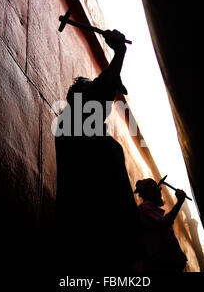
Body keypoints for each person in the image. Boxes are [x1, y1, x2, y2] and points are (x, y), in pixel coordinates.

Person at [55, 30, 139, 272]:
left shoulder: (89, 129)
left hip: (109, 239)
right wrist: (119, 53)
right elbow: (99, 92)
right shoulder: (70, 121)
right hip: (92, 237)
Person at [134, 178, 188, 272]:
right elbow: (164, 222)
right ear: (149, 192)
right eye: (156, 188)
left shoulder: (150, 209)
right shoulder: (145, 208)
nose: (159, 190)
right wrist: (179, 203)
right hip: (164, 265)